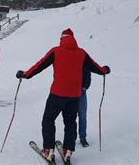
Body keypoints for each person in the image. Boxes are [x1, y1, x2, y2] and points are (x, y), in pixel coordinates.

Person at [16, 28, 110, 163]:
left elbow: (40, 65)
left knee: (48, 119)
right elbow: (95, 67)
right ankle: (68, 151)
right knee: (71, 121)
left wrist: (25, 74)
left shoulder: (56, 51)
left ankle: (48, 150)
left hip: (57, 94)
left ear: (61, 39)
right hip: (74, 96)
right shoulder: (81, 53)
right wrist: (104, 70)